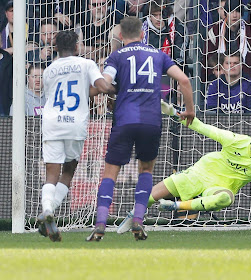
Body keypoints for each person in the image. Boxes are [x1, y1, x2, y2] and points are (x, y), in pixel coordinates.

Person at [116, 102, 251, 234]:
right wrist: (173, 112)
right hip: (201, 172)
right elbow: (201, 127)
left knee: (226, 198)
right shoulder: (234, 141)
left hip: (220, 187)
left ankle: (177, 207)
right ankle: (133, 216)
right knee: (151, 196)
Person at [86, 17, 195, 242]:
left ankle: (100, 224)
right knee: (145, 171)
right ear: (143, 34)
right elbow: (184, 80)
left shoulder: (116, 56)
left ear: (121, 37)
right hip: (151, 121)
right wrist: (190, 110)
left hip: (124, 120)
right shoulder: (159, 55)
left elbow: (104, 84)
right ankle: (138, 219)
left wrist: (114, 92)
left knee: (110, 174)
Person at [37, 30, 114, 242]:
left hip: (52, 122)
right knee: (69, 169)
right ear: (77, 46)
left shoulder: (49, 70)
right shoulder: (86, 64)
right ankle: (50, 209)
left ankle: (47, 209)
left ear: (56, 48)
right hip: (75, 123)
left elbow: (62, 93)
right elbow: (103, 87)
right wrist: (120, 89)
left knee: (51, 173)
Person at [204, 0, 251, 86]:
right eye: (231, 11)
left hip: (247, 84)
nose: (234, 15)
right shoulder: (214, 32)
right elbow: (208, 62)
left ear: (242, 13)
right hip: (220, 84)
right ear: (225, 13)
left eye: (238, 11)